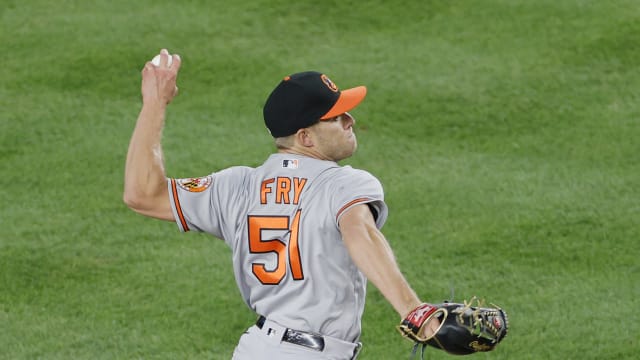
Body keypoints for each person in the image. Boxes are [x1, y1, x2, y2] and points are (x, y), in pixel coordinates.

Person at [124, 49, 440, 360]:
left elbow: (142, 194)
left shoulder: (235, 187)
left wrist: (154, 103)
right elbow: (360, 232)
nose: (350, 120)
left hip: (258, 349)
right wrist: (415, 311)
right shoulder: (344, 183)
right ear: (305, 137)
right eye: (336, 117)